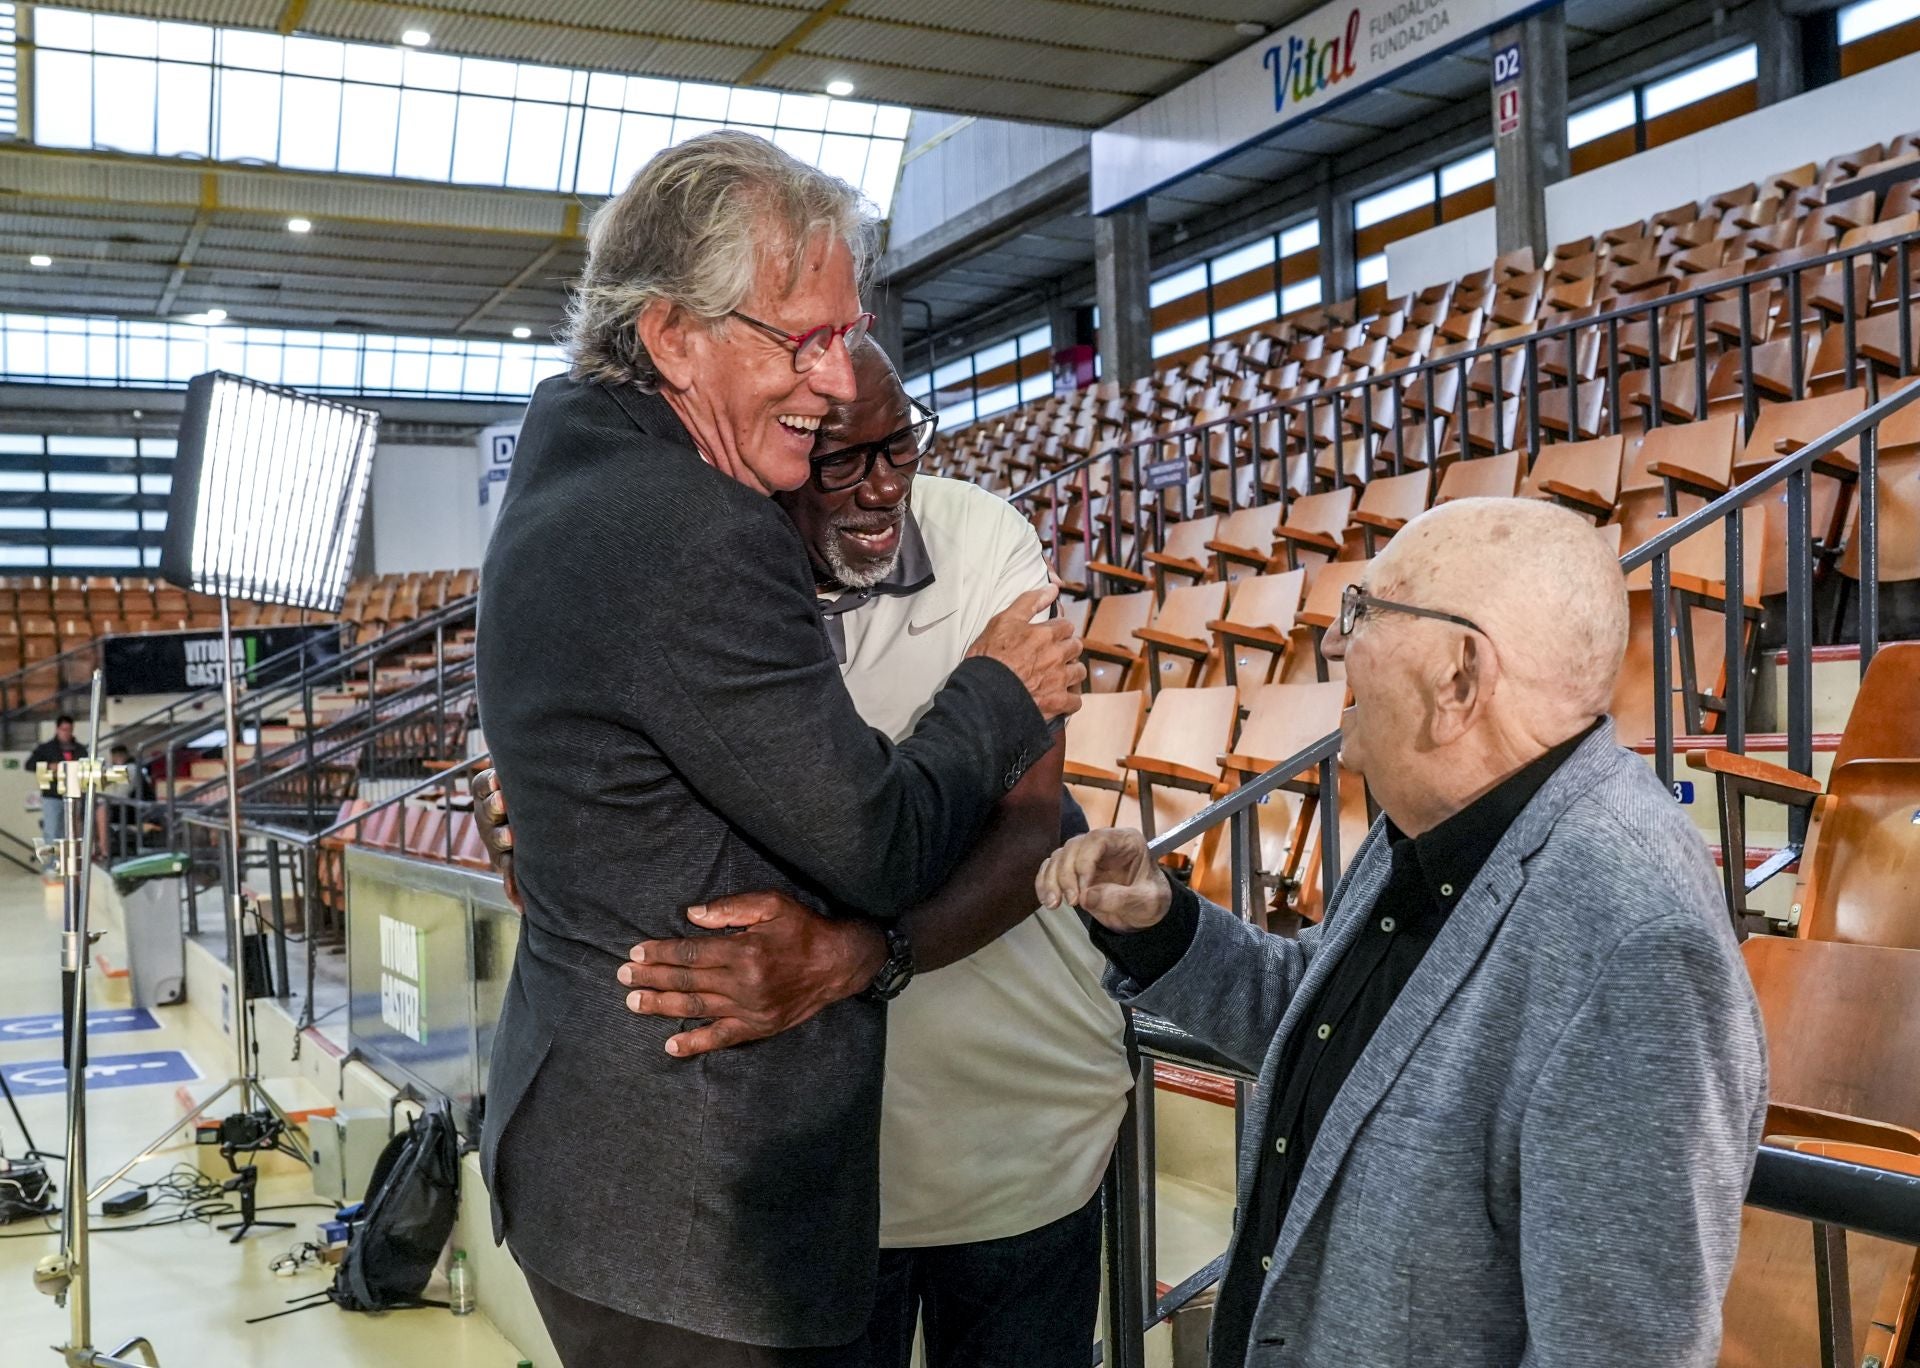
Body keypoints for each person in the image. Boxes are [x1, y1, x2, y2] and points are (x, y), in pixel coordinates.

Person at [476, 131, 1084, 1367]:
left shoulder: (576, 464)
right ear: (672, 335)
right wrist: (998, 690)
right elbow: (876, 840)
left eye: (847, 333)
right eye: (800, 338)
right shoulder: (703, 528)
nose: (833, 372)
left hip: (631, 1176)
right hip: (690, 1200)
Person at [1037, 497, 1768, 1368]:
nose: (1337, 646)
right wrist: (1163, 923)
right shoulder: (1430, 825)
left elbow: (1617, 1349)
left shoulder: (1635, 938)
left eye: (1365, 614)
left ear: (1459, 677)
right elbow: (1334, 1033)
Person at [28, 715, 85, 878]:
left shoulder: (79, 749)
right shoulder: (46, 748)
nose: (67, 733)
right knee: (51, 831)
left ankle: (69, 864)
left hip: (73, 795)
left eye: (70, 730)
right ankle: (50, 866)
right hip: (52, 795)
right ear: (58, 729)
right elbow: (30, 764)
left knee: (71, 832)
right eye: (64, 730)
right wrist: (47, 766)